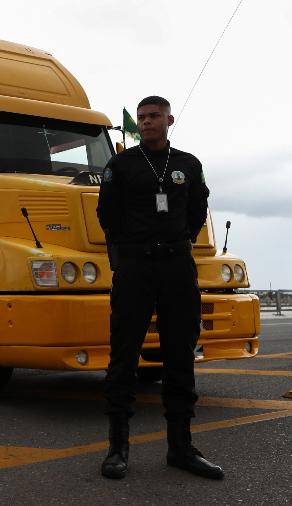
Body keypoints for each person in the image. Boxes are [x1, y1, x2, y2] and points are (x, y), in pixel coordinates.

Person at [97, 96, 221, 480]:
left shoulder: (188, 164)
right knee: (124, 353)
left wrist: (176, 238)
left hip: (176, 266)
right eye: (142, 117)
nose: (147, 122)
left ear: (169, 119)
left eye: (154, 116)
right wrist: (131, 248)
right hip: (135, 266)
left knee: (180, 354)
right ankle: (118, 448)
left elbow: (198, 210)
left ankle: (181, 448)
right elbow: (108, 214)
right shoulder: (121, 164)